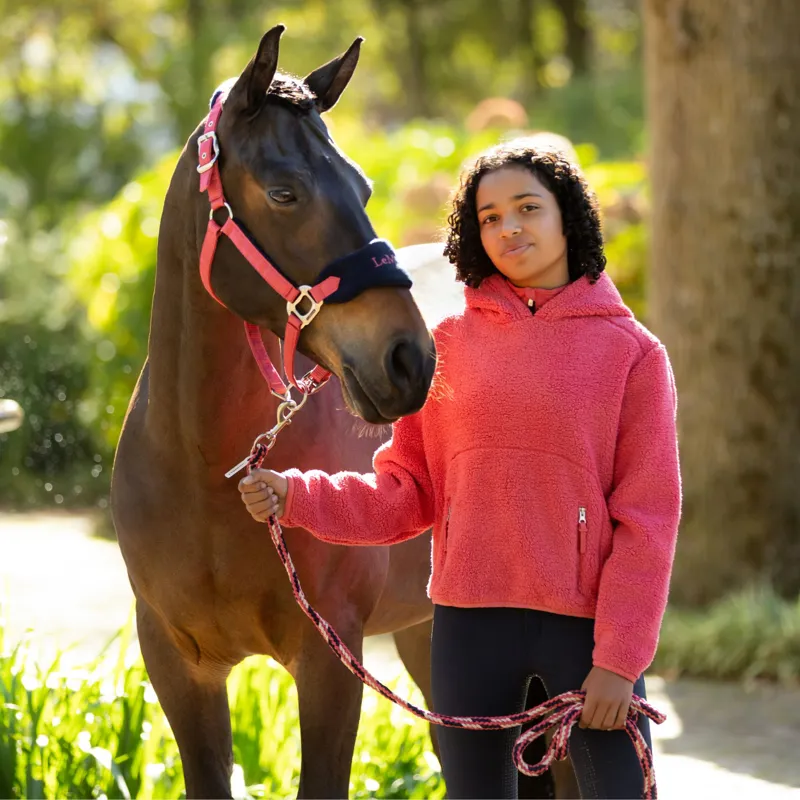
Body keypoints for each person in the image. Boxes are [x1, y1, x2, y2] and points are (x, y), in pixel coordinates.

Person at [239, 140, 681, 799]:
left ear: (568, 214)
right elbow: (405, 495)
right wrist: (295, 495)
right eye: (490, 217)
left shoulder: (633, 354)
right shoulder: (446, 345)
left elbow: (648, 520)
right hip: (469, 627)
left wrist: (619, 661)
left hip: (586, 632)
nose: (509, 228)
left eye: (528, 208)